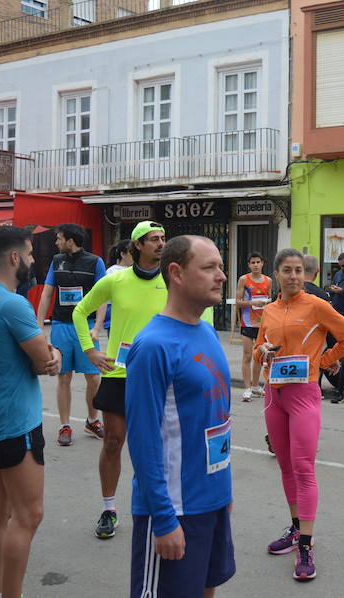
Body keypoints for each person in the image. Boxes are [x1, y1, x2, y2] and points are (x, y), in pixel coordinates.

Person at [125, 235, 235, 597]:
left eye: (220, 266)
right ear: (176, 273)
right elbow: (143, 442)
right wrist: (163, 519)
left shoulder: (206, 330)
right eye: (209, 267)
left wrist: (224, 489)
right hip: (175, 508)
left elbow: (216, 418)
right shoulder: (154, 346)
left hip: (211, 500)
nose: (221, 275)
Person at [0, 225, 61, 598]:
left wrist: (46, 355)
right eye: (29, 253)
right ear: (13, 258)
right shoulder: (12, 303)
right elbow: (44, 360)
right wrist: (53, 354)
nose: (33, 260)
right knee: (28, 515)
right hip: (15, 422)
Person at [255, 248, 344, 581]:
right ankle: (296, 527)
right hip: (274, 394)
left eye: (298, 270)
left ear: (305, 274)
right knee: (285, 466)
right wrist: (262, 353)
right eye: (287, 270)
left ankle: (306, 544)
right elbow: (260, 348)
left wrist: (321, 363)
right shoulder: (269, 310)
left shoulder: (316, 305)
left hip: (304, 395)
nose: (293, 276)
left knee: (303, 467)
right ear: (277, 274)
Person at [71, 221, 170, 540]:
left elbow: (198, 317)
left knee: (160, 447)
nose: (160, 243)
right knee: (113, 442)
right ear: (137, 245)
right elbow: (80, 311)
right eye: (154, 239)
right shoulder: (115, 279)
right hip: (119, 374)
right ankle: (109, 508)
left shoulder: (173, 279)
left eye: (163, 239)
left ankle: (160, 508)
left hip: (158, 375)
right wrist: (90, 350)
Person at [36, 223, 107, 446]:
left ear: (70, 240)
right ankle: (64, 425)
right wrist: (39, 326)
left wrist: (96, 327)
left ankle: (92, 420)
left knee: (93, 376)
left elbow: (103, 297)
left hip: (85, 326)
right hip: (61, 325)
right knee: (63, 376)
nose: (56, 243)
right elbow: (47, 293)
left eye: (59, 239)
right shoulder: (57, 262)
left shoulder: (95, 262)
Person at [236, 252, 271, 401]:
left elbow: (270, 299)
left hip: (262, 323)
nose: (256, 265)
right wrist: (252, 303)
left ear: (262, 263)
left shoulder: (268, 280)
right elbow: (238, 301)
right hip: (247, 322)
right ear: (249, 265)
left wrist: (266, 302)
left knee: (259, 356)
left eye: (258, 262)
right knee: (247, 355)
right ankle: (247, 388)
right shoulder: (244, 279)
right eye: (253, 262)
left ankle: (256, 386)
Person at [102, 238, 133, 335]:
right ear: (122, 254)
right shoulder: (111, 272)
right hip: (115, 312)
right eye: (131, 252)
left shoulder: (137, 270)